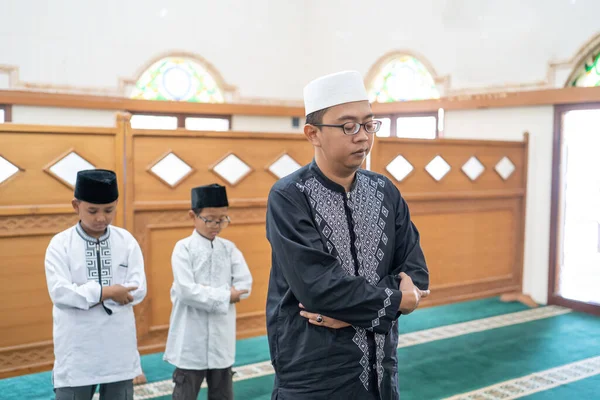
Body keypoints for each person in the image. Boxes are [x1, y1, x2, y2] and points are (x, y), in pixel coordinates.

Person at [265, 70, 430, 399]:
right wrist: (395, 301)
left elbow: (416, 274)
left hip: (380, 367)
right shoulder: (289, 196)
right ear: (313, 133)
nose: (362, 137)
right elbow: (318, 287)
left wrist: (350, 315)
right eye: (348, 126)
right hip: (314, 371)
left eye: (369, 125)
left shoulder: (385, 191)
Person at [44, 169, 147, 400]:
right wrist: (106, 291)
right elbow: (60, 293)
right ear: (76, 205)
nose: (101, 218)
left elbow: (138, 289)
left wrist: (86, 294)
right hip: (78, 346)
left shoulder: (126, 241)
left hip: (117, 344)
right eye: (93, 210)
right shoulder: (60, 244)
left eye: (109, 210)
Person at [164, 183, 253, 400]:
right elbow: (186, 291)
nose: (216, 225)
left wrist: (207, 293)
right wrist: (225, 295)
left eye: (222, 219)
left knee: (222, 394)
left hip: (222, 337)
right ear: (192, 216)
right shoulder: (183, 248)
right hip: (191, 337)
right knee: (185, 393)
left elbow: (244, 286)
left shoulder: (229, 248)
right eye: (210, 219)